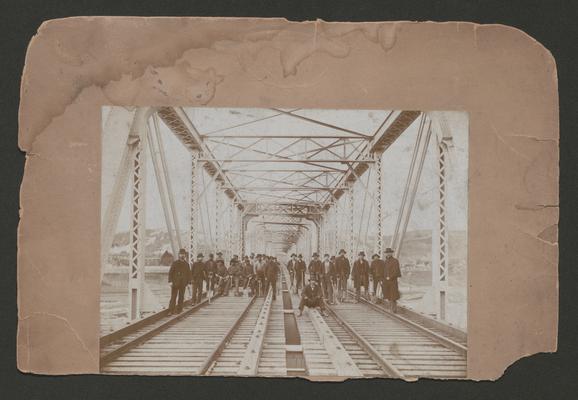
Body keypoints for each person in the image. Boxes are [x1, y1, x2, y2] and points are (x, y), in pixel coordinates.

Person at [168, 248, 192, 314]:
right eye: (181, 254)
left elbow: (189, 274)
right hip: (175, 283)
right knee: (173, 297)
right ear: (179, 255)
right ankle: (171, 310)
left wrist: (189, 282)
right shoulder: (175, 263)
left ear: (185, 255)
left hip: (183, 283)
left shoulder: (187, 264)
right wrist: (170, 281)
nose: (182, 256)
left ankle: (179, 310)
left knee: (181, 297)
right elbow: (170, 273)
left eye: (183, 254)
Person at [383, 248, 402, 313]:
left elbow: (396, 271)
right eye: (387, 252)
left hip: (393, 280)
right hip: (386, 281)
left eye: (389, 252)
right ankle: (391, 308)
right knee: (388, 294)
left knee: (393, 295)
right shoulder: (385, 261)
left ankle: (393, 309)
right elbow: (384, 271)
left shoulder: (395, 261)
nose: (388, 254)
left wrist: (390, 277)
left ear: (391, 253)